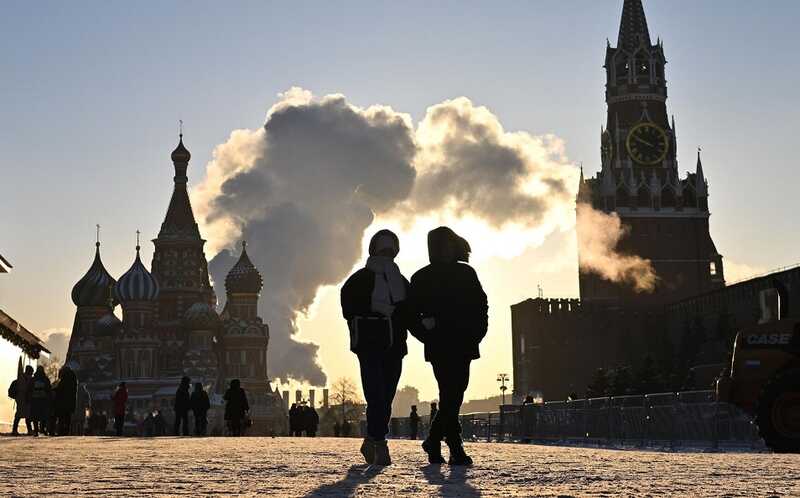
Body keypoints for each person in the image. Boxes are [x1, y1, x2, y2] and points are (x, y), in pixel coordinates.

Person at [410, 227, 488, 466]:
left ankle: (434, 441)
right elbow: (411, 314)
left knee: (453, 395)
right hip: (441, 345)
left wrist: (478, 332)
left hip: (463, 342)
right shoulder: (421, 277)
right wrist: (427, 334)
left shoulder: (466, 273)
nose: (444, 250)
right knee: (451, 394)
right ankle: (454, 445)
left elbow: (480, 304)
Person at [340, 229, 416, 466]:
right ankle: (380, 443)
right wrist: (376, 308)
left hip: (395, 346)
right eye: (383, 249)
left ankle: (371, 439)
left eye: (390, 250)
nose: (387, 254)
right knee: (376, 394)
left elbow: (409, 312)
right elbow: (349, 306)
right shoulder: (360, 279)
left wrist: (425, 326)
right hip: (370, 345)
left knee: (387, 395)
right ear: (374, 250)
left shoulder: (401, 282)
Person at [53, 365, 78, 436]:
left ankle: (61, 431)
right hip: (70, 402)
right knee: (67, 418)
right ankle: (66, 431)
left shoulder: (64, 381)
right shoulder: (73, 379)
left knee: (61, 418)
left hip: (62, 403)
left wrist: (54, 390)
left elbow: (60, 390)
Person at [29, 365, 52, 436]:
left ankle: (37, 430)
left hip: (36, 399)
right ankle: (41, 429)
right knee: (42, 415)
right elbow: (48, 389)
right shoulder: (45, 379)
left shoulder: (34, 379)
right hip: (41, 399)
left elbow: (29, 389)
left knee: (36, 416)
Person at [11, 365, 34, 435]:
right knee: (24, 415)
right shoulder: (26, 379)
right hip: (23, 399)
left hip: (22, 399)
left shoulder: (21, 379)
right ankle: (27, 430)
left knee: (22, 415)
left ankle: (16, 429)